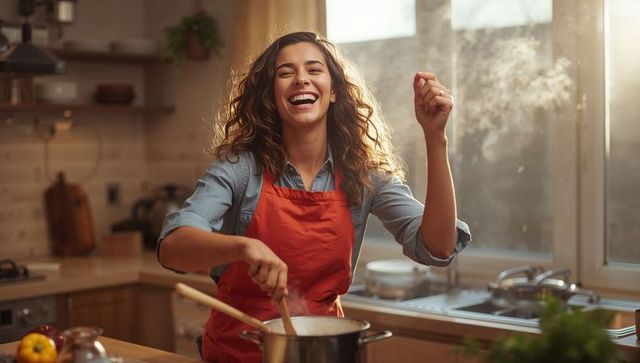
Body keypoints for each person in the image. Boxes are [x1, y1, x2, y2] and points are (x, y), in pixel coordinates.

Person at [157, 31, 471, 362]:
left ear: (334, 91)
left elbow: (439, 245)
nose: (301, 80)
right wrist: (243, 247)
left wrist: (435, 138)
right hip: (238, 352)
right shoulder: (239, 170)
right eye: (285, 72)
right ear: (271, 95)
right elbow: (173, 248)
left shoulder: (362, 175)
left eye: (314, 69)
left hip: (323, 351)